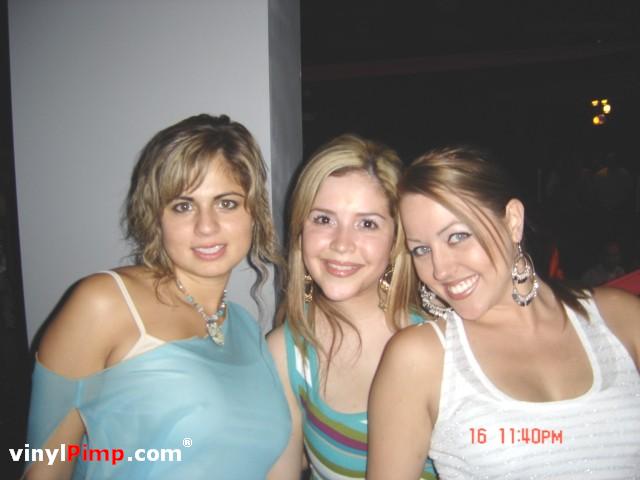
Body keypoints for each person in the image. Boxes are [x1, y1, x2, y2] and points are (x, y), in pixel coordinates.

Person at [25, 114, 291, 479]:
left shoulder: (247, 330)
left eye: (226, 203)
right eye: (183, 205)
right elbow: (45, 468)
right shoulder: (105, 303)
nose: (206, 226)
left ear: (254, 214)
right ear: (156, 218)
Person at [368, 146, 640, 479]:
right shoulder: (420, 358)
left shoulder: (621, 318)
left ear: (513, 221)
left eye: (457, 236)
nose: (440, 269)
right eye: (421, 250)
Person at [268, 135, 438, 479]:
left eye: (367, 223)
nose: (342, 244)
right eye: (323, 219)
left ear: (396, 241)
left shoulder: (440, 345)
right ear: (300, 230)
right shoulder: (286, 354)